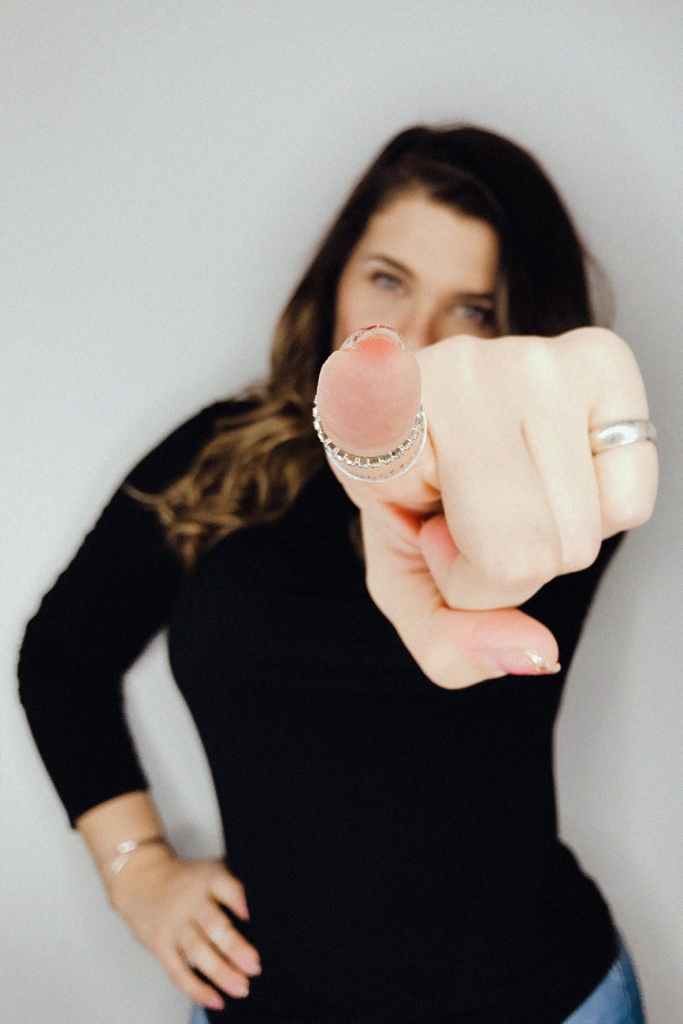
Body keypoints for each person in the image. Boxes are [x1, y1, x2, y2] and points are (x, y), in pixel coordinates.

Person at [16, 122, 652, 1022]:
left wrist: (585, 416)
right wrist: (137, 871)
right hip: (265, 1003)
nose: (415, 336)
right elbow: (62, 657)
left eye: (472, 310)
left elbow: (501, 567)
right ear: (336, 277)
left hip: (540, 998)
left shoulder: (535, 485)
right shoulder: (216, 455)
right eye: (388, 280)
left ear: (515, 328)